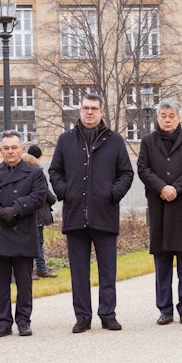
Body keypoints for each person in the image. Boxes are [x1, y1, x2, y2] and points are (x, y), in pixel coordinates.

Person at [49, 92, 134, 333]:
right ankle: (82, 317)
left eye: (94, 108)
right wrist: (66, 191)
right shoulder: (66, 140)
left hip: (104, 215)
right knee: (79, 272)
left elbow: (126, 173)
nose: (89, 112)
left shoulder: (115, 141)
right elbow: (55, 171)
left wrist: (112, 193)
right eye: (85, 108)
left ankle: (108, 314)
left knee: (108, 271)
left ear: (101, 112)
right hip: (75, 216)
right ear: (79, 110)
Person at [136, 98, 182, 325]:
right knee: (162, 261)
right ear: (158, 118)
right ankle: (165, 308)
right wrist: (162, 187)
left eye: (171, 116)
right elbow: (143, 168)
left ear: (179, 117)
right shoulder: (148, 141)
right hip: (159, 206)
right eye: (163, 116)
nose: (167, 120)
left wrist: (176, 187)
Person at [0, 131, 48, 337]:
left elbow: (38, 197)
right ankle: (3, 322)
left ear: (22, 149)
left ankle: (24, 321)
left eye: (14, 147)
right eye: (6, 148)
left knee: (24, 283)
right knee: (1, 283)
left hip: (23, 232)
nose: (10, 151)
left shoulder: (35, 173)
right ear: (1, 151)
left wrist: (15, 209)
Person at [26, 144, 58, 280]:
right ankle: (38, 269)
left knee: (33, 241)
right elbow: (46, 193)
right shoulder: (37, 171)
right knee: (36, 242)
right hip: (38, 213)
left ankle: (39, 268)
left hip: (29, 212)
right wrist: (53, 199)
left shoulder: (23, 169)